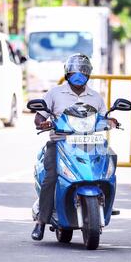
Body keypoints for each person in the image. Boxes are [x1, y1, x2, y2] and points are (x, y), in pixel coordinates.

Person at [31, 53, 117, 240]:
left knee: (106, 171)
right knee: (51, 177)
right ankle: (41, 222)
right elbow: (39, 116)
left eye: (83, 71)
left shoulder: (95, 97)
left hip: (90, 144)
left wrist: (111, 121)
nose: (79, 74)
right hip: (60, 143)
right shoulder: (55, 93)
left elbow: (104, 118)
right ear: (67, 73)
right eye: (75, 71)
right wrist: (43, 123)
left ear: (88, 74)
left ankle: (104, 203)